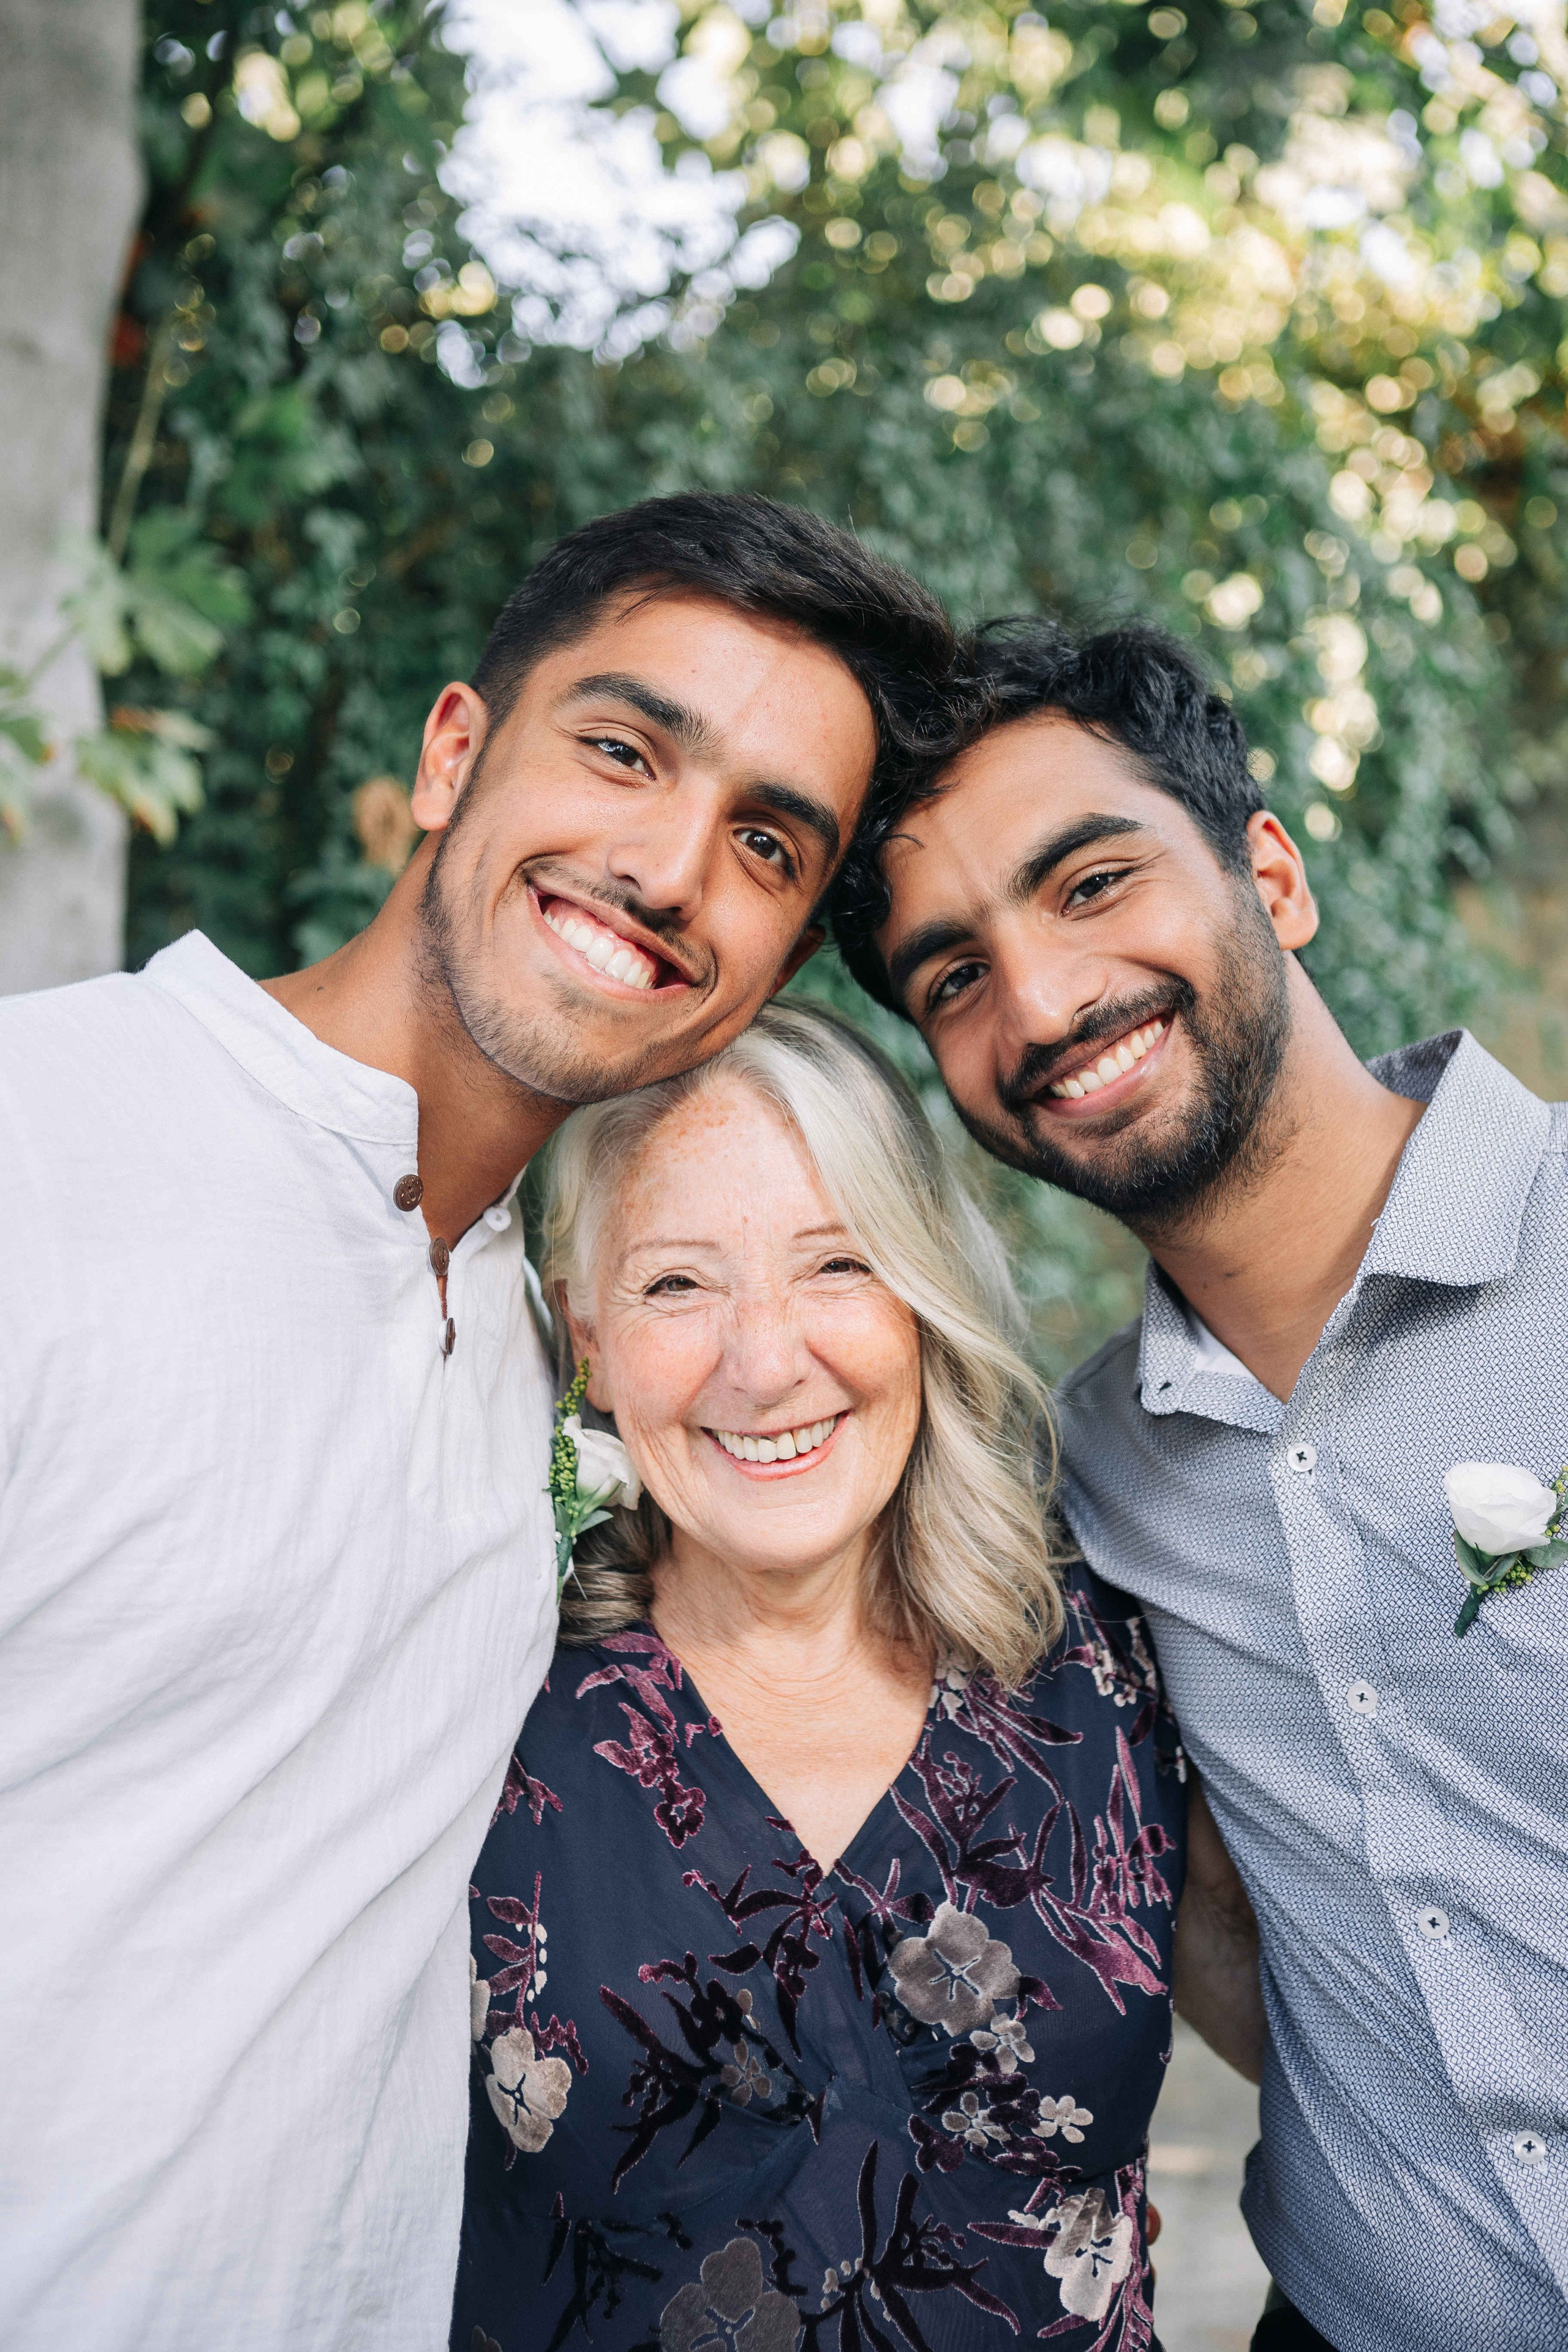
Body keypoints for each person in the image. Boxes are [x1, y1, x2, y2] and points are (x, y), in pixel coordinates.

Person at [0, 495, 955, 2350]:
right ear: (452, 754)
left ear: (773, 965)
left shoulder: (563, 1346)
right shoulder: (46, 1141)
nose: (670, 868)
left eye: (765, 845)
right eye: (622, 751)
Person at [832, 614, 1568, 2352]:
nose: (1041, 1003)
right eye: (954, 978)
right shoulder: (1085, 1476)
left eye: (1092, 884)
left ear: (1273, 877)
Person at [453, 1001, 1187, 2351]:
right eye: (678, 1285)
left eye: (837, 1265)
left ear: (919, 1294)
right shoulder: (478, 1700)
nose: (766, 1361)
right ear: (587, 1335)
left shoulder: (1108, 1657)